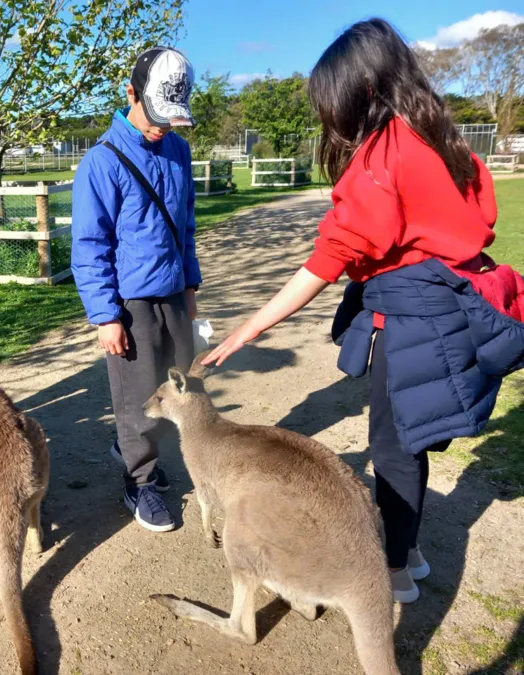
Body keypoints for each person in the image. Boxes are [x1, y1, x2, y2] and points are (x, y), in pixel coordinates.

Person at [203, 19, 524, 603]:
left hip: (412, 319)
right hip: (448, 304)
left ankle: (394, 570)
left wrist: (249, 327)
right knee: (413, 442)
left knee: (393, 449)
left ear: (365, 91)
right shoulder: (442, 137)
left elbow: (328, 259)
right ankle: (414, 550)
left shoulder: (382, 155)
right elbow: (479, 220)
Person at [71, 47, 202, 533]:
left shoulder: (178, 150)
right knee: (137, 397)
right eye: (157, 115)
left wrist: (190, 285)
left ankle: (135, 447)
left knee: (177, 386)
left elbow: (184, 225)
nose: (163, 127)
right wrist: (105, 316)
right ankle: (138, 481)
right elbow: (89, 245)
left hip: (173, 292)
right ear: (131, 93)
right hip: (130, 303)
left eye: (173, 119)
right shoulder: (101, 162)